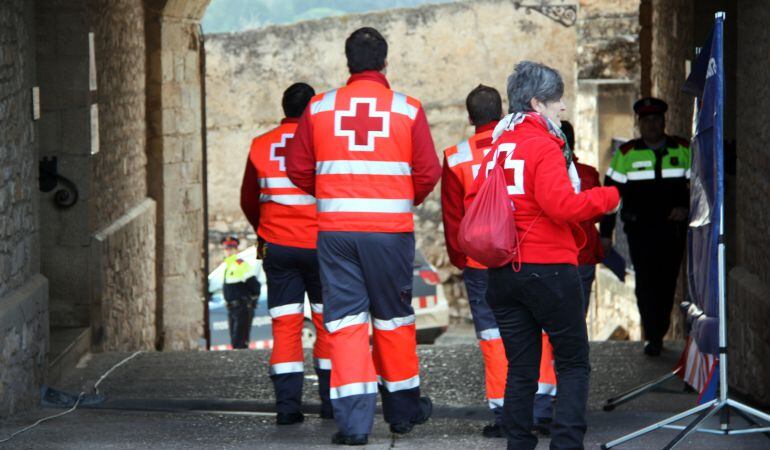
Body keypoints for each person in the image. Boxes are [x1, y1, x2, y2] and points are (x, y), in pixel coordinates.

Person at [286, 27, 441, 446]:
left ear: (348, 62)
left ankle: (354, 425)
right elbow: (428, 172)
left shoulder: (320, 108)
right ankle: (404, 412)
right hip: (390, 234)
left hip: (337, 233)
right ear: (385, 63)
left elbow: (298, 168)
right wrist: (406, 198)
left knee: (346, 323)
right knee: (393, 319)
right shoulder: (407, 109)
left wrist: (334, 192)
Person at [467, 61, 620, 450]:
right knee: (571, 363)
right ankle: (566, 444)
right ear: (537, 103)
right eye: (556, 100)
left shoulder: (497, 147)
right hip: (550, 270)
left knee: (521, 369)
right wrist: (608, 197)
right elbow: (562, 207)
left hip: (503, 274)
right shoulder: (543, 144)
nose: (563, 107)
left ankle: (518, 444)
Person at [441, 85, 557, 438]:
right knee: (538, 329)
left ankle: (505, 412)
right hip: (531, 255)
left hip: (482, 262)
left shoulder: (456, 156)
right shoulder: (531, 143)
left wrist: (461, 257)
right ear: (505, 111)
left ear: (469, 116)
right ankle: (541, 407)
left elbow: (453, 216)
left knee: (493, 336)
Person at [240, 82, 333, 425]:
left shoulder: (260, 146)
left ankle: (287, 408)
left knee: (285, 324)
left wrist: (265, 231)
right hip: (321, 246)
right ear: (311, 111)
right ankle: (330, 404)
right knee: (327, 323)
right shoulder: (324, 143)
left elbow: (249, 201)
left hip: (277, 246)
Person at [599, 97, 690, 356]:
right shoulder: (626, 154)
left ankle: (657, 330)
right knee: (646, 284)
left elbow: (700, 189)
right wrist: (606, 234)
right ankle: (653, 335)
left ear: (664, 121)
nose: (651, 125)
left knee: (667, 284)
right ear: (639, 124)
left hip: (672, 234)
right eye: (646, 120)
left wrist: (686, 209)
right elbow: (610, 197)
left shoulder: (682, 150)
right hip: (641, 234)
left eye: (656, 119)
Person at [561, 120, 605, 312]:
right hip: (583, 254)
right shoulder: (589, 174)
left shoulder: (541, 174)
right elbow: (598, 214)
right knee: (579, 312)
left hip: (551, 257)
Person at [220, 236, 261, 350]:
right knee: (235, 341)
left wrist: (251, 301)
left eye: (231, 248)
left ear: (236, 249)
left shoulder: (240, 264)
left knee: (239, 342)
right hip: (232, 308)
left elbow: (255, 286)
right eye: (226, 248)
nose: (228, 250)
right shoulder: (228, 266)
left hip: (242, 307)